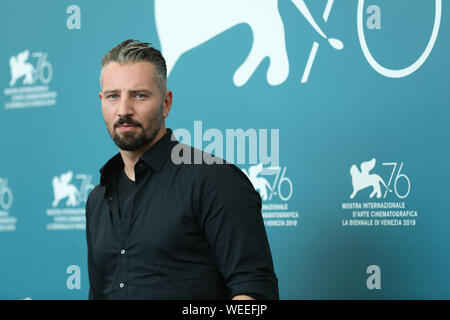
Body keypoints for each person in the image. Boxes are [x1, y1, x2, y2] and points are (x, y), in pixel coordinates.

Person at [85, 39, 279, 300]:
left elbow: (253, 290)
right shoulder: (98, 198)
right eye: (113, 96)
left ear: (166, 103)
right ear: (101, 101)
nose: (123, 110)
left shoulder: (213, 180)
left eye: (139, 95)